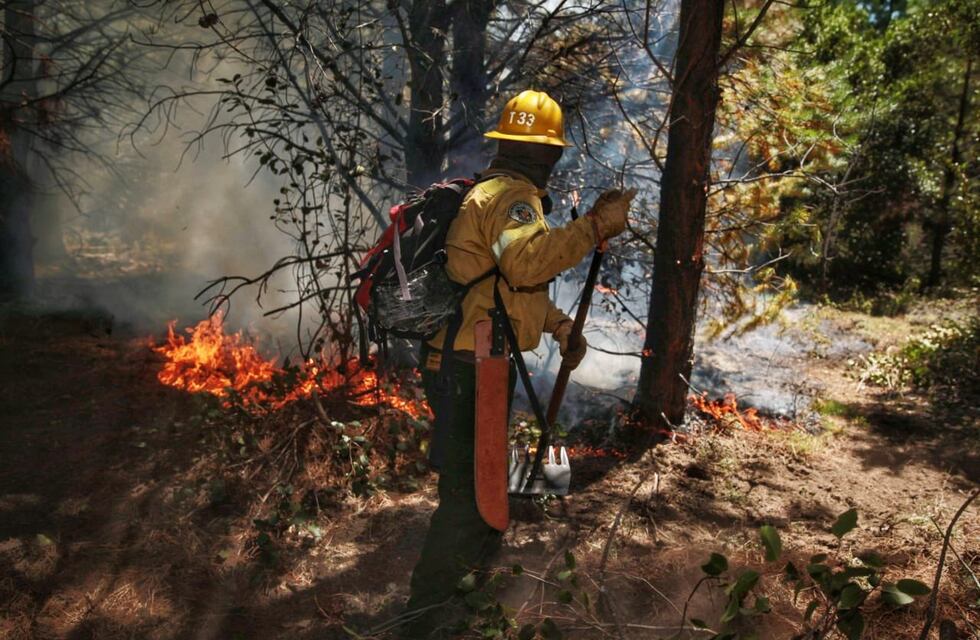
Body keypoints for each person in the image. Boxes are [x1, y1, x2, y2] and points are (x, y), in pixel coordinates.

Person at [401, 89, 634, 638]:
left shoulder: (493, 193)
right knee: (469, 496)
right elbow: (529, 264)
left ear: (505, 141)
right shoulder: (512, 199)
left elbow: (505, 286)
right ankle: (419, 620)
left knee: (480, 486)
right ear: (544, 153)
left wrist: (558, 325)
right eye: (550, 152)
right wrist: (595, 227)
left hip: (471, 361)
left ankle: (463, 596)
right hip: (470, 367)